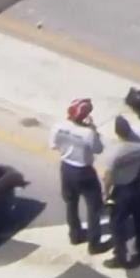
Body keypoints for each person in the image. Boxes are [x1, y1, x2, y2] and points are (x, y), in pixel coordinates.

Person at [50, 98, 105, 252]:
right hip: (84, 172)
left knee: (71, 203)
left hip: (66, 168)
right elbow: (98, 149)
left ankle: (75, 235)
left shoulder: (58, 126)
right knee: (94, 208)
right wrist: (93, 129)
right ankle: (94, 244)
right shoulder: (88, 133)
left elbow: (53, 145)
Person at [102, 116, 140, 268]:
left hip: (122, 191)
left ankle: (120, 257)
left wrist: (105, 194)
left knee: (117, 224)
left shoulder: (114, 152)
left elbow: (107, 177)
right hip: (138, 187)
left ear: (116, 132)